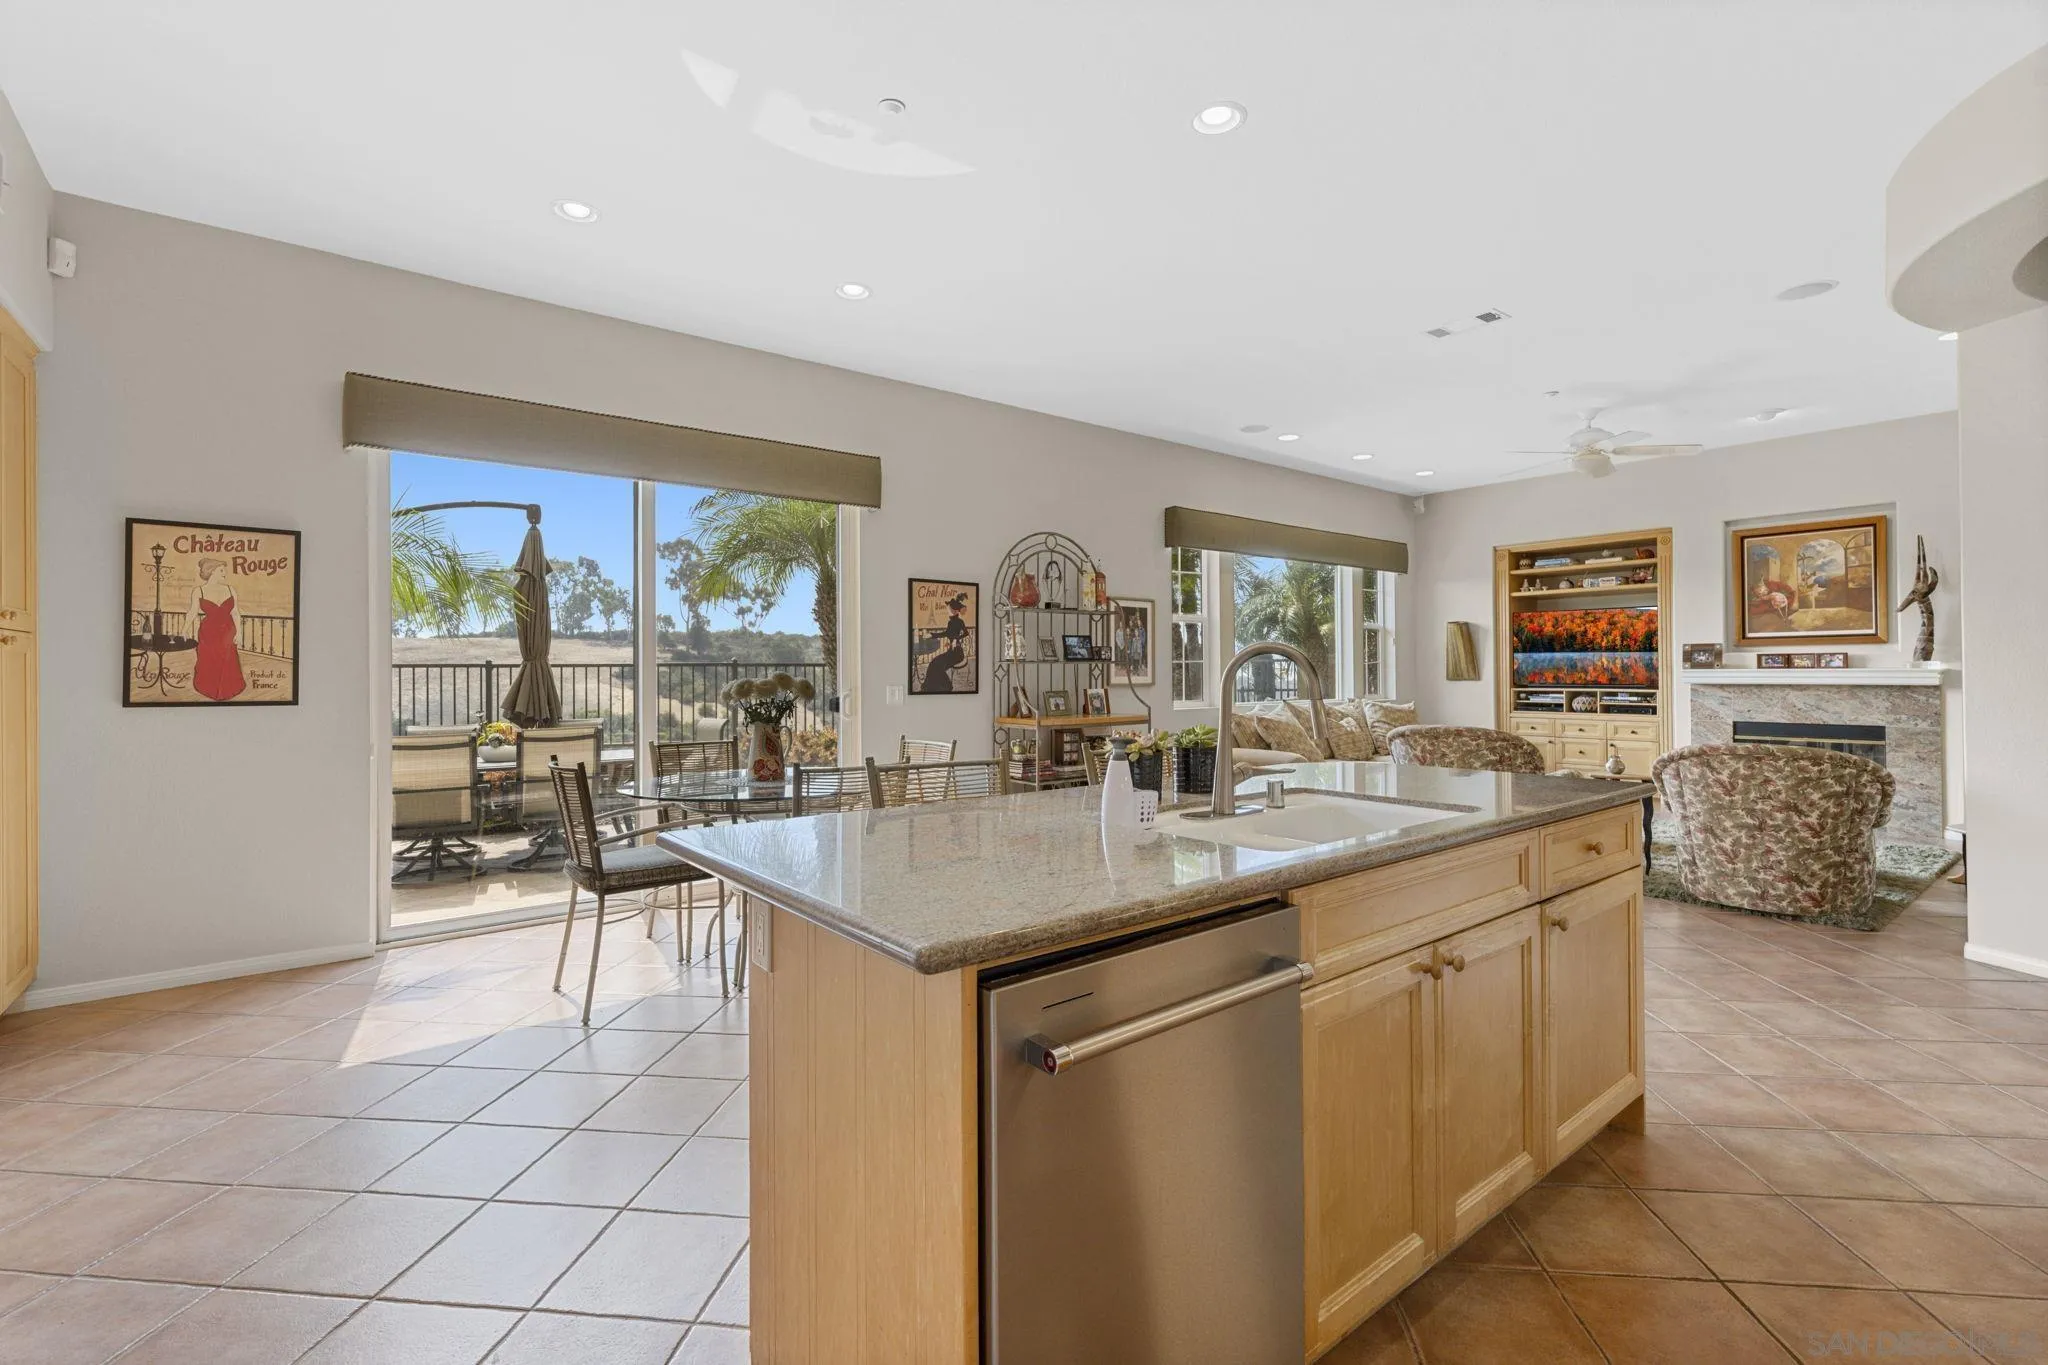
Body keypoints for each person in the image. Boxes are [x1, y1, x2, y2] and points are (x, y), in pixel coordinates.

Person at [189, 557, 247, 701]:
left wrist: (239, 632)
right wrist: (184, 629)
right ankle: (208, 688)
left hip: (228, 630)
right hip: (208, 632)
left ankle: (228, 689)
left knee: (228, 659)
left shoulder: (230, 589)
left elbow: (235, 612)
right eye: (221, 570)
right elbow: (192, 612)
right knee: (210, 659)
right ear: (212, 571)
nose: (225, 573)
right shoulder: (199, 591)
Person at [918, 592, 971, 693]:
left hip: (957, 653)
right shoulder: (950, 622)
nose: (947, 610)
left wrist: (957, 639)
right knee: (934, 662)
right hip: (951, 651)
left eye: (948, 608)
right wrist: (932, 635)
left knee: (938, 665)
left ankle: (946, 686)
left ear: (955, 611)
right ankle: (930, 687)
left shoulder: (960, 622)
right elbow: (946, 633)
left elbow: (966, 633)